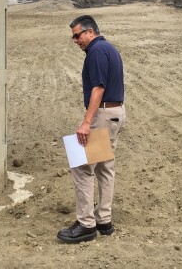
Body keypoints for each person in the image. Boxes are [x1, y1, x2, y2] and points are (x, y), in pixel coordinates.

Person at [57, 15, 126, 243]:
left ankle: (86, 224)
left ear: (90, 31)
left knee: (81, 165)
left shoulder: (96, 52)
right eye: (73, 37)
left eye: (78, 35)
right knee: (105, 167)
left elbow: (98, 87)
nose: (76, 40)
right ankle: (103, 220)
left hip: (103, 114)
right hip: (116, 112)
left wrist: (86, 122)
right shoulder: (109, 48)